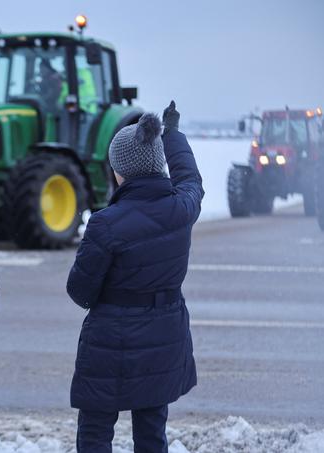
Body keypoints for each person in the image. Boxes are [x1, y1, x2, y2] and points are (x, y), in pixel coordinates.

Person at [66, 101, 204, 453]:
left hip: (109, 343)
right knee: (151, 432)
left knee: (96, 431)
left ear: (120, 171)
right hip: (163, 335)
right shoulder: (181, 208)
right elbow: (191, 179)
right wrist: (172, 135)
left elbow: (80, 290)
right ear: (158, 163)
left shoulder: (105, 223)